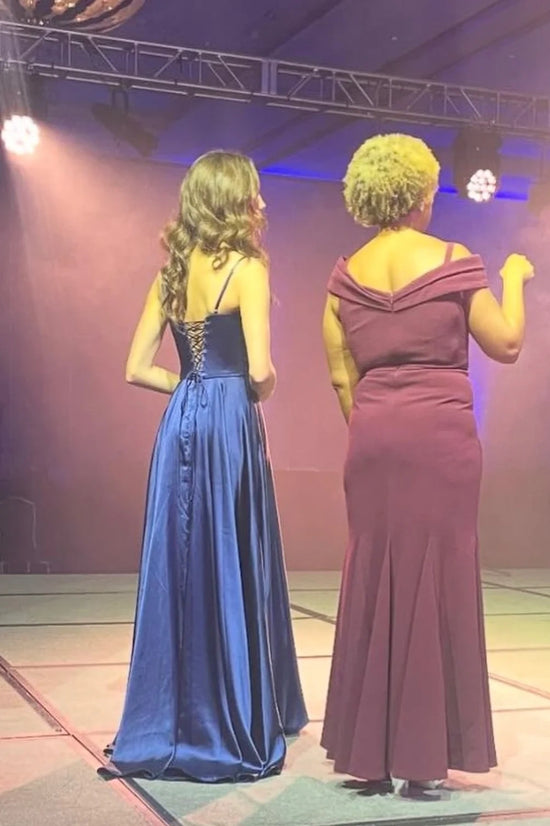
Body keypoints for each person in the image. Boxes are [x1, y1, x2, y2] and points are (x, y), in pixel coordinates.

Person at [321, 133, 533, 798]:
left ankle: (369, 753)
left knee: (373, 573)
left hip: (373, 438)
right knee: (438, 574)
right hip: (439, 438)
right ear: (418, 192)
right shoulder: (454, 260)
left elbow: (342, 379)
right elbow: (507, 344)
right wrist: (515, 278)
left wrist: (379, 427)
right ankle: (426, 752)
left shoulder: (342, 278)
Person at [100, 150, 307, 783]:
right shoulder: (248, 268)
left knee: (183, 562)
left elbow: (136, 369)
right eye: (254, 192)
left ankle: (172, 715)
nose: (262, 203)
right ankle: (233, 717)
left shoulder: (169, 274)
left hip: (181, 422)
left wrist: (191, 386)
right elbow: (261, 372)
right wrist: (240, 389)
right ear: (232, 200)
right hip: (229, 424)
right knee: (229, 556)